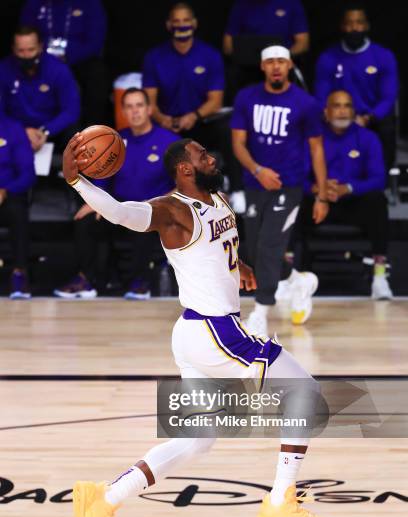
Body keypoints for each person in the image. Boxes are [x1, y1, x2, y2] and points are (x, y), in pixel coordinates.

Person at [63, 135, 334, 517]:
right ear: (184, 170)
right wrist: (77, 180)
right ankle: (280, 500)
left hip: (195, 333)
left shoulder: (219, 199)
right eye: (202, 155)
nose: (211, 156)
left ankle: (104, 498)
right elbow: (121, 213)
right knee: (307, 393)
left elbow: (217, 248)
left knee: (197, 438)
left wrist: (238, 266)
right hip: (214, 332)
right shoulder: (173, 210)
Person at [231, 45, 328, 333]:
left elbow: (317, 150)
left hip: (289, 186)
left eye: (281, 62)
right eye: (270, 61)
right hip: (254, 183)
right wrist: (258, 171)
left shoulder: (305, 103)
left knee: (270, 244)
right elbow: (238, 144)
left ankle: (260, 312)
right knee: (250, 249)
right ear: (262, 66)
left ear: (289, 66)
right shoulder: (246, 97)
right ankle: (297, 280)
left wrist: (322, 195)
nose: (276, 66)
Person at [54, 88, 179, 299]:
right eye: (129, 106)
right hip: (120, 207)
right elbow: (102, 180)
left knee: (146, 224)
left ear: (149, 109)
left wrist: (164, 203)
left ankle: (142, 282)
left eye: (139, 105)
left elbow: (184, 184)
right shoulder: (114, 140)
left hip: (153, 209)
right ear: (123, 111)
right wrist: (95, 202)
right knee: (85, 221)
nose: (135, 111)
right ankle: (87, 280)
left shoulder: (170, 141)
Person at [301, 90, 392, 299]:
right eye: (337, 105)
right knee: (293, 201)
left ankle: (379, 276)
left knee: (377, 201)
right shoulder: (314, 138)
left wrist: (348, 188)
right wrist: (318, 188)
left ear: (354, 111)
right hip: (319, 203)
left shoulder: (368, 138)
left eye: (347, 106)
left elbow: (379, 178)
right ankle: (289, 276)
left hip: (353, 203)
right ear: (326, 111)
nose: (342, 111)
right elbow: (299, 177)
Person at [142, 2, 242, 193]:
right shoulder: (154, 57)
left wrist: (194, 116)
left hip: (201, 121)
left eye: (186, 20)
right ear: (168, 25)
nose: (181, 25)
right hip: (168, 124)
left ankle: (237, 189)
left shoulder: (210, 55)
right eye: (176, 21)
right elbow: (150, 102)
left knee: (229, 128)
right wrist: (163, 119)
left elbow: (216, 101)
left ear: (195, 23)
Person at [314, 3, 399, 169]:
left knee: (386, 127)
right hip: (337, 115)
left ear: (366, 26)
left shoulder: (383, 56)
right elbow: (321, 96)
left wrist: (367, 118)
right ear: (342, 26)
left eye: (359, 22)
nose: (354, 28)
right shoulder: (328, 57)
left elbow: (388, 97)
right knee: (314, 122)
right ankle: (322, 179)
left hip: (371, 117)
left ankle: (384, 180)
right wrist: (334, 116)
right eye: (349, 23)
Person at [20, 0, 108, 126]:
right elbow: (25, 38)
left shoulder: (90, 4)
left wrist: (67, 56)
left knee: (97, 74)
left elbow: (95, 43)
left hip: (79, 60)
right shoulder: (34, 4)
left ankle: (92, 132)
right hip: (41, 60)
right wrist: (47, 57)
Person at [0, 26, 80, 152]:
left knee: (74, 133)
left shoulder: (58, 69)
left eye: (31, 50)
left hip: (50, 132)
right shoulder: (3, 70)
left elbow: (71, 110)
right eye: (21, 51)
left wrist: (45, 131)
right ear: (13, 49)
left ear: (40, 47)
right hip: (14, 132)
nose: (26, 56)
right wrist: (21, 131)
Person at [0, 113, 36, 299]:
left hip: (8, 196)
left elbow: (28, 173)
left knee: (17, 210)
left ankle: (19, 273)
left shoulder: (13, 128)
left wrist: (6, 190)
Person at [223, 0, 309, 58]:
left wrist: (281, 59)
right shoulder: (241, 4)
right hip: (247, 68)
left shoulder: (291, 2)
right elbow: (228, 45)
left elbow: (303, 43)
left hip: (283, 69)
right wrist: (243, 59)